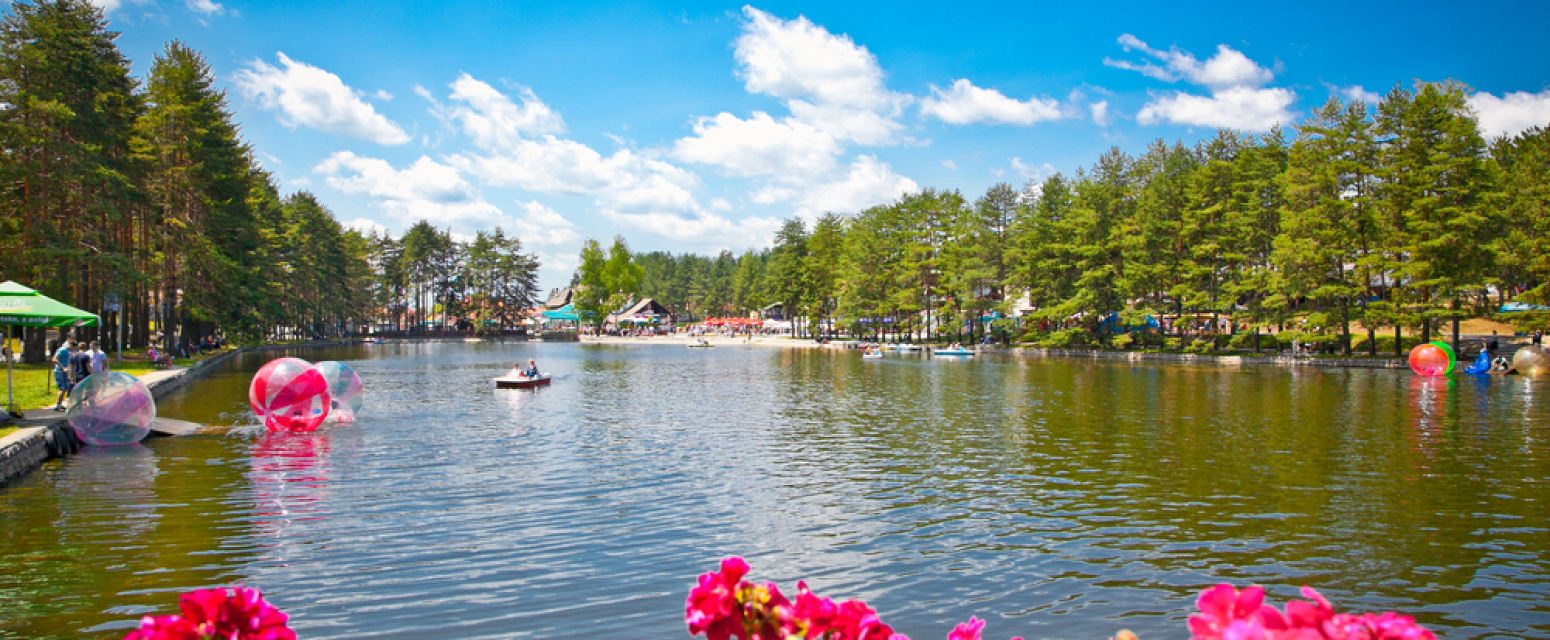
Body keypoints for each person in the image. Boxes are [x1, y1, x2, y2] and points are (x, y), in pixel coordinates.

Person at [52, 338, 74, 411]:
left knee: (65, 388)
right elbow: (54, 360)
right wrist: (62, 368)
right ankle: (57, 405)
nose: (73, 349)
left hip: (64, 371)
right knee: (62, 388)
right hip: (59, 370)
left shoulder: (68, 352)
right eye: (73, 348)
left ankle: (60, 404)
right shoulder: (62, 350)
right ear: (70, 345)